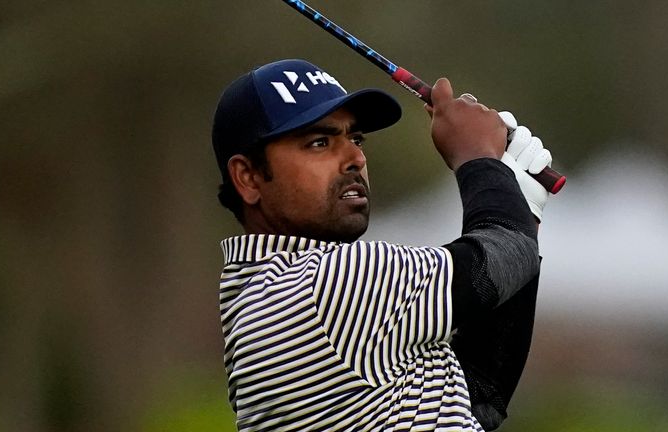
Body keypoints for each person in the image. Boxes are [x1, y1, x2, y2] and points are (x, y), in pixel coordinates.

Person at [211, 59, 553, 431]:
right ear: (248, 177)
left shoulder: (267, 295)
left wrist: (521, 208)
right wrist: (478, 160)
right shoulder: (323, 285)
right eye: (320, 142)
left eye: (355, 139)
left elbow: (479, 399)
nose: (355, 158)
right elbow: (505, 253)